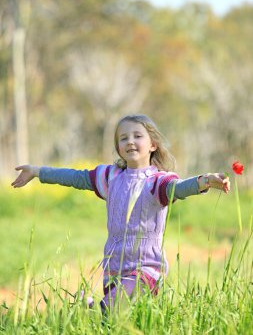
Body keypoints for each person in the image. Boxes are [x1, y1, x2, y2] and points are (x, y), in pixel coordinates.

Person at [11, 114, 230, 311]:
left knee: (113, 307)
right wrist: (38, 172)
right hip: (115, 265)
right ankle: (90, 311)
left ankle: (90, 309)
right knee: (114, 318)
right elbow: (75, 177)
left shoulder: (158, 181)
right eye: (123, 138)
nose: (130, 141)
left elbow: (179, 188)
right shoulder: (111, 177)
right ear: (118, 147)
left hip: (147, 268)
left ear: (153, 144)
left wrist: (205, 181)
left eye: (137, 136)